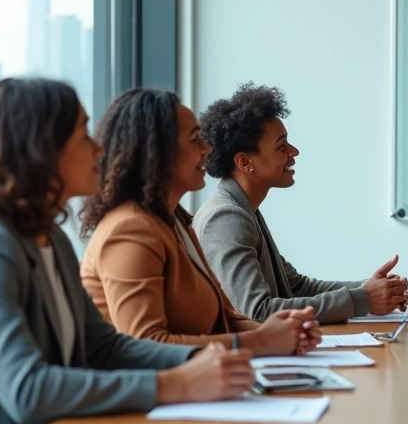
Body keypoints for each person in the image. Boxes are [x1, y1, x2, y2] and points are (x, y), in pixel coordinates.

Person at [0, 79, 255, 424]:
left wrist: (203, 362)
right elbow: (27, 389)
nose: (99, 148)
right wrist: (177, 385)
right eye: (82, 134)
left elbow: (102, 347)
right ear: (40, 150)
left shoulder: (49, 238)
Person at [79, 88, 320, 354]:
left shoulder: (176, 221)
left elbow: (223, 318)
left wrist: (282, 332)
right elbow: (146, 344)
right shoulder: (130, 228)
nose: (207, 149)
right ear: (158, 153)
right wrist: (262, 340)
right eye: (195, 140)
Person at [193, 83, 408, 323]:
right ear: (245, 162)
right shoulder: (227, 218)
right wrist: (363, 299)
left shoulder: (244, 210)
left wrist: (373, 289)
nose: (294, 152)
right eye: (281, 146)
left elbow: (296, 287)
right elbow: (256, 312)